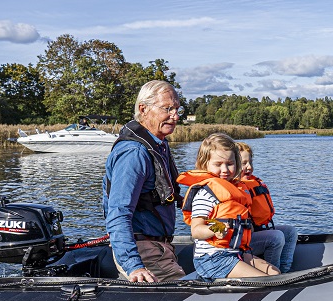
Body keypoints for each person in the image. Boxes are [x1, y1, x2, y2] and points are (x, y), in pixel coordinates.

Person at [103, 80, 185, 282]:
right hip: (145, 253)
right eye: (167, 109)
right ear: (143, 109)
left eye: (177, 109)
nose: (175, 116)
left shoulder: (158, 145)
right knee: (192, 299)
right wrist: (134, 266)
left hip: (159, 248)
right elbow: (118, 212)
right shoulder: (134, 153)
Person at [177, 133, 280, 280]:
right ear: (204, 164)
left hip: (235, 253)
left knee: (275, 274)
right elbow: (196, 230)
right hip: (212, 258)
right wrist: (214, 229)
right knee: (266, 281)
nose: (225, 170)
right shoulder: (205, 194)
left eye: (230, 163)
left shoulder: (237, 190)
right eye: (218, 165)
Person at [237, 141, 299, 273]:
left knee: (290, 232)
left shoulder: (254, 182)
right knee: (276, 237)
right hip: (244, 241)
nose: (249, 167)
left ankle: (285, 270)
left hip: (262, 229)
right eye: (244, 164)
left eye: (250, 162)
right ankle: (273, 274)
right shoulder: (236, 188)